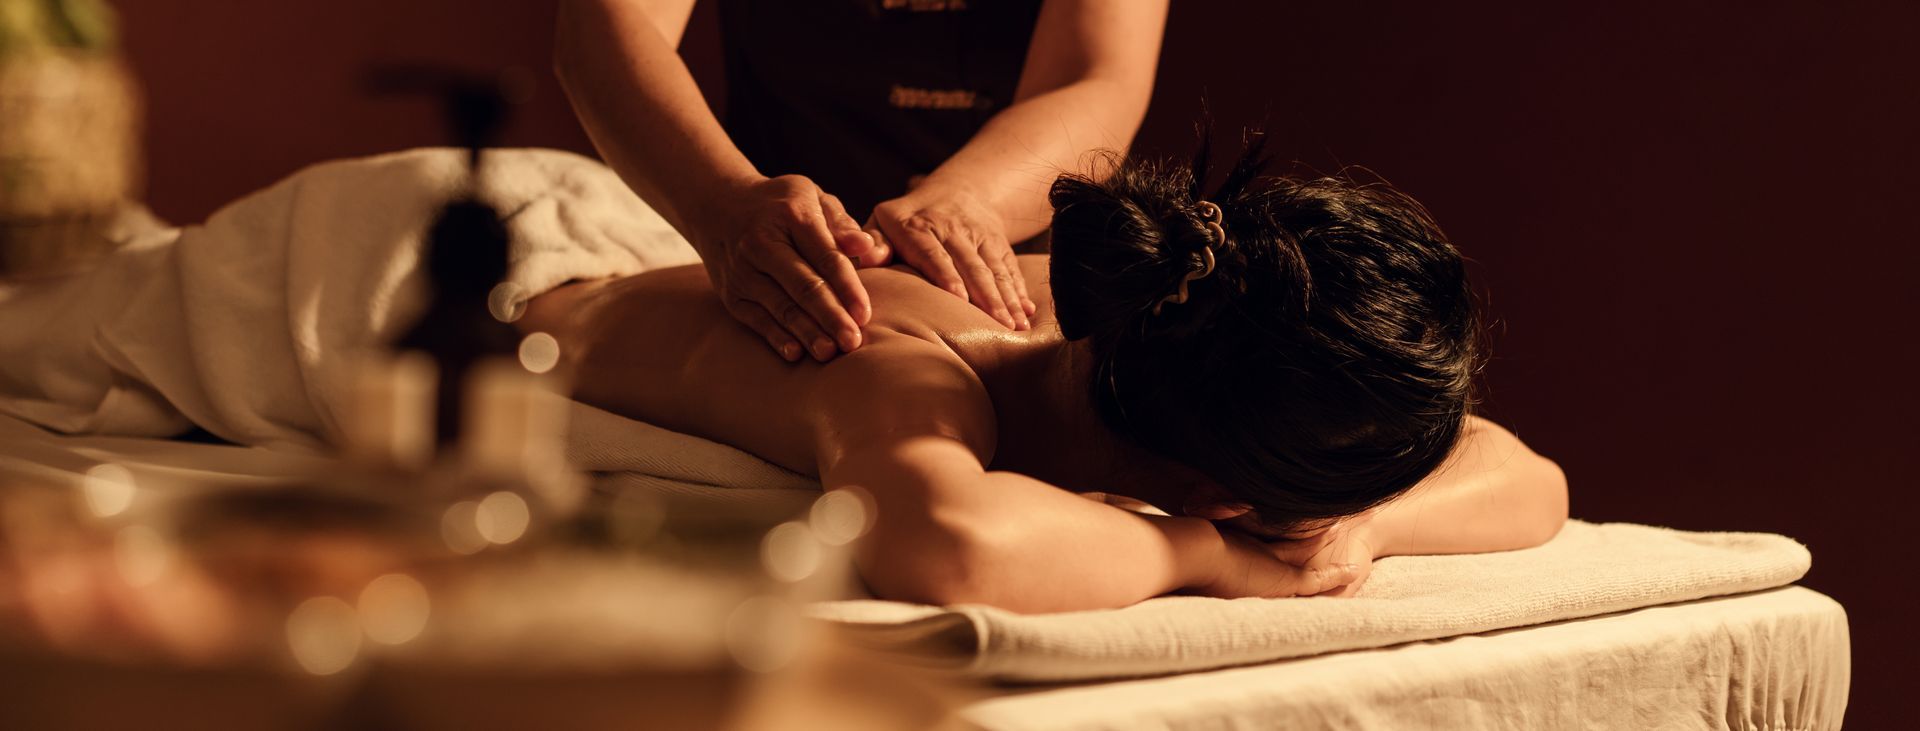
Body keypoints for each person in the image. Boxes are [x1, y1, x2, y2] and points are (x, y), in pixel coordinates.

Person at [519, 139, 1569, 612]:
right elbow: (950, 547)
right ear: (1223, 493)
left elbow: (1530, 477)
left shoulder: (1155, 313)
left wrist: (1368, 526)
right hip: (517, 275)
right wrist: (1205, 555)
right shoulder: (907, 379)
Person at [553, 0, 1166, 363]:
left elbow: (1096, 73)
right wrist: (718, 201)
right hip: (764, 260)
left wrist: (969, 201)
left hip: (1006, 262)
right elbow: (605, 23)